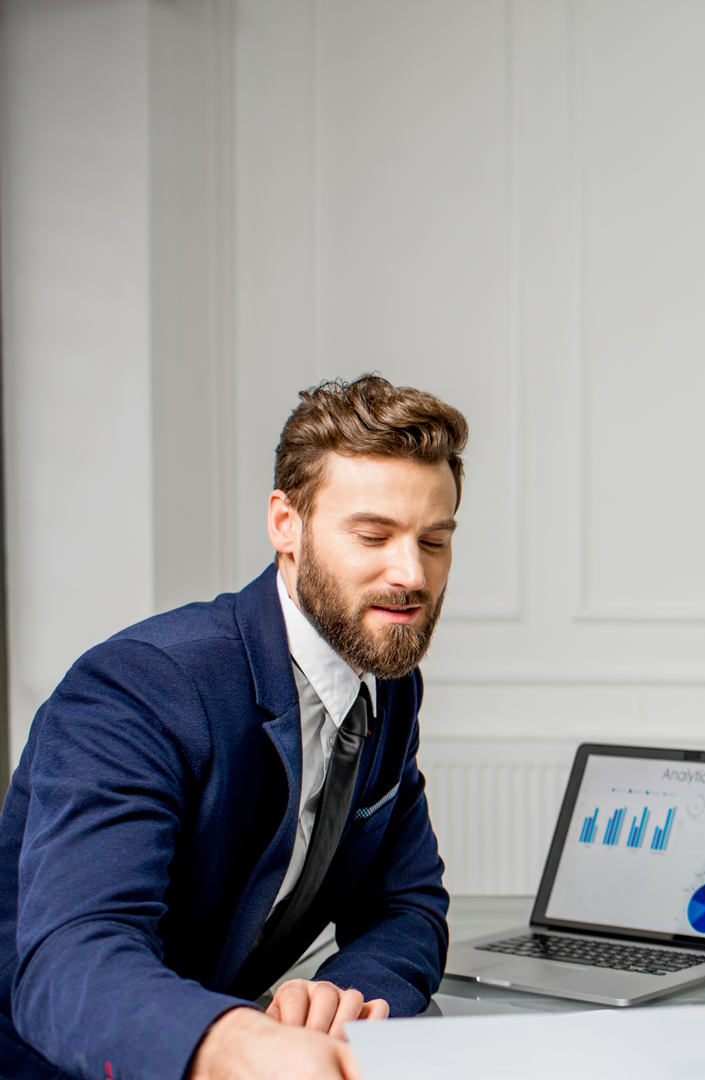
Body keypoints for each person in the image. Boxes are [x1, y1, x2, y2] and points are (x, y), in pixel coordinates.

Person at [0, 375, 464, 1080]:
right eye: (374, 534)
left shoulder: (387, 686)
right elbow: (73, 954)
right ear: (286, 524)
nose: (412, 573)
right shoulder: (140, 686)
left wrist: (345, 998)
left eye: (434, 540)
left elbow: (406, 905)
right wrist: (236, 1042)